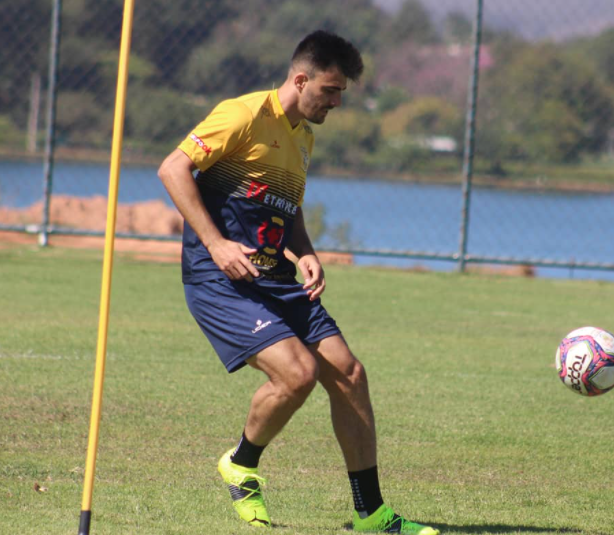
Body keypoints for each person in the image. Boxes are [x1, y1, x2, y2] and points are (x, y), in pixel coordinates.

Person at [158, 30, 439, 535]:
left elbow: (285, 206)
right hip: (220, 277)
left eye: (341, 94)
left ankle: (371, 514)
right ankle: (241, 465)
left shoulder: (302, 135)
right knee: (296, 374)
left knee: (349, 374)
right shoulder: (242, 115)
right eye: (330, 91)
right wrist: (217, 245)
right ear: (301, 78)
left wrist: (305, 252)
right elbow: (172, 168)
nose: (335, 102)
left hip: (277, 276)